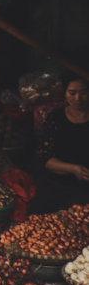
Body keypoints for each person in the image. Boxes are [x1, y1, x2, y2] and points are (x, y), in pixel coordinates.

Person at [36, 76, 89, 212]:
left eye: (84, 93)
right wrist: (74, 169)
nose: (78, 98)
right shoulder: (55, 118)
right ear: (64, 94)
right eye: (72, 93)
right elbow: (45, 158)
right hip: (59, 185)